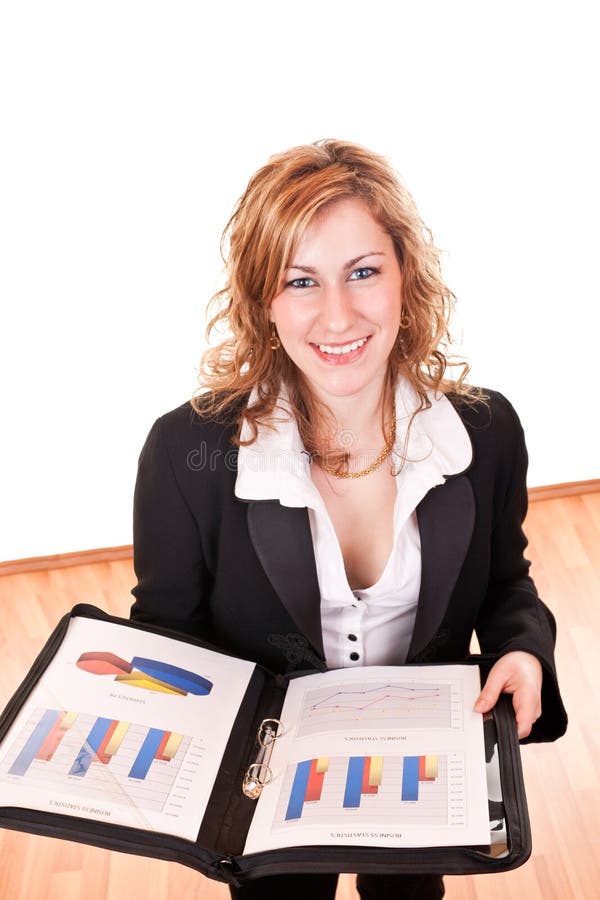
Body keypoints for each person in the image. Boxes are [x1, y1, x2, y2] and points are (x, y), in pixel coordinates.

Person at [130, 140, 567, 900]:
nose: (338, 315)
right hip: (265, 792)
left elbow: (506, 585)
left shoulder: (486, 433)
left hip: (422, 769)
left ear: (406, 277)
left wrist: (522, 652)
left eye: (363, 271)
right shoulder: (187, 450)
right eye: (302, 281)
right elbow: (170, 635)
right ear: (264, 301)